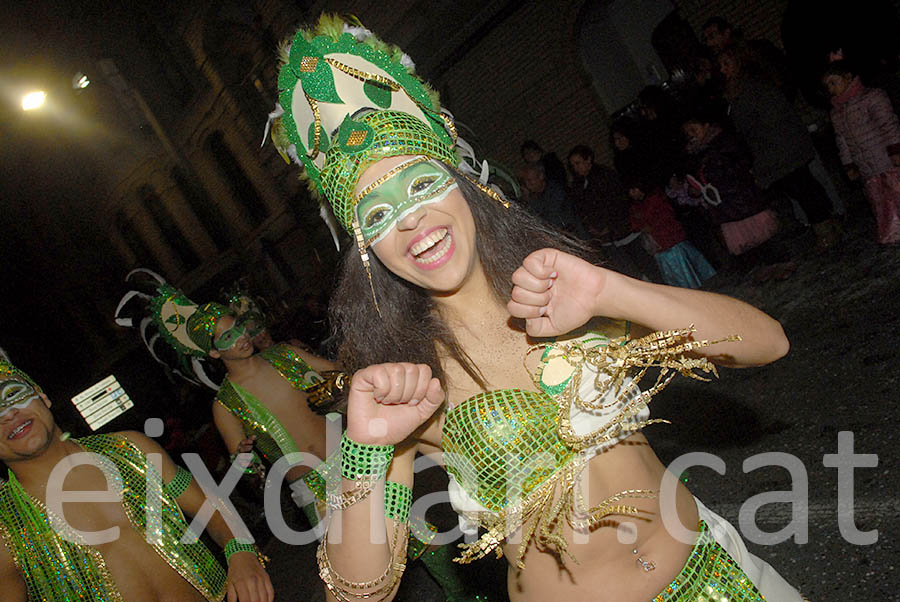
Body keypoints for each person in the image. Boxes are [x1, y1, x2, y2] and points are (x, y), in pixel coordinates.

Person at [269, 15, 806, 602]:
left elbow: (766, 344)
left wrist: (612, 291)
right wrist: (366, 453)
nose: (411, 218)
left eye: (422, 185)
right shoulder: (408, 383)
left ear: (466, 186)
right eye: (377, 214)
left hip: (719, 572)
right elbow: (360, 591)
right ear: (368, 251)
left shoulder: (566, 289)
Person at [0, 358, 273, 602]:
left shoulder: (130, 449)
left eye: (12, 395)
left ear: (41, 396)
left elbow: (210, 507)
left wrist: (241, 553)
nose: (8, 414)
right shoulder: (5, 525)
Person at [719, 46, 842, 251]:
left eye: (726, 64)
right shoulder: (738, 89)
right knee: (800, 188)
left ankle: (826, 229)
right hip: (771, 150)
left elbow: (768, 116)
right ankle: (828, 223)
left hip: (782, 147)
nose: (723, 70)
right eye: (720, 65)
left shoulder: (754, 84)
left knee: (804, 188)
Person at [671, 112, 796, 282]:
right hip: (724, 204)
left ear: (707, 125)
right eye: (688, 133)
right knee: (745, 240)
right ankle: (764, 267)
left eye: (694, 129)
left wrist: (715, 175)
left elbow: (739, 164)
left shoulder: (723, 141)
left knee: (761, 233)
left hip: (741, 197)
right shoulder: (695, 153)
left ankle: (782, 262)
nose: (691, 135)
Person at [824, 60, 900, 243]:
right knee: (880, 201)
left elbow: (888, 124)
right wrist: (849, 164)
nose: (831, 89)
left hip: (884, 158)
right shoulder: (837, 113)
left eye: (834, 82)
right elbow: (842, 142)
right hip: (865, 164)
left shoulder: (872, 97)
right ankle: (892, 231)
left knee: (896, 192)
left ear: (848, 78)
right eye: (827, 86)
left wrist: (895, 149)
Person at [625, 178, 716, 289]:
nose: (632, 194)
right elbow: (634, 224)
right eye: (630, 191)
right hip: (659, 246)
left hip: (671, 241)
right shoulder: (635, 207)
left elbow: (667, 216)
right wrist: (642, 227)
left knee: (687, 271)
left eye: (634, 190)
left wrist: (651, 226)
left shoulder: (655, 199)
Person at [519, 163, 579, 235]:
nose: (527, 184)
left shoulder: (556, 191)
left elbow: (549, 217)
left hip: (571, 233)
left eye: (530, 180)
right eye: (525, 181)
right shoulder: (535, 196)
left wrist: (529, 200)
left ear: (541, 176)